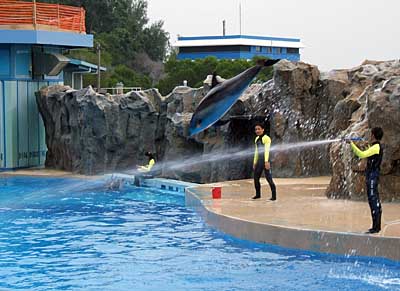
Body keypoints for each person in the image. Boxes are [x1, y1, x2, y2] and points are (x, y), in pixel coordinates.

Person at [348, 127, 384, 234]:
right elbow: (368, 151)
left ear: (373, 135)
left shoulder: (376, 147)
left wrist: (351, 145)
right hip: (371, 176)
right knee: (373, 200)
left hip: (373, 176)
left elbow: (362, 154)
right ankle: (375, 226)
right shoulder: (374, 146)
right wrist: (362, 144)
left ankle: (376, 227)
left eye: (370, 134)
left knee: (373, 200)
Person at [252, 123, 277, 201]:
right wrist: (254, 162)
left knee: (268, 178)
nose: (257, 131)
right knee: (256, 178)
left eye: (259, 129)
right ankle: (258, 194)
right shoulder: (256, 139)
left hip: (266, 160)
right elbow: (256, 151)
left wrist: (266, 161)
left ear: (263, 129)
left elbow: (267, 150)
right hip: (259, 161)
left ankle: (274, 196)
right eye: (256, 129)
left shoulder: (266, 138)